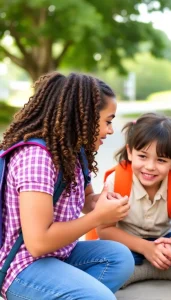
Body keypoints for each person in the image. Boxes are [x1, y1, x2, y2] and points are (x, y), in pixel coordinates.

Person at [0, 72, 134, 300]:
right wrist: (98, 217)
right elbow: (38, 243)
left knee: (118, 257)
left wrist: (101, 203)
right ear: (84, 117)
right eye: (108, 121)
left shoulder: (73, 150)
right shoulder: (37, 158)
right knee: (99, 298)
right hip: (22, 265)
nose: (110, 130)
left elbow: (86, 201)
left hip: (57, 253)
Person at [96, 112, 171, 285]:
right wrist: (145, 248)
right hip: (127, 242)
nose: (150, 167)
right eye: (143, 156)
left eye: (161, 160)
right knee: (109, 256)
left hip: (164, 239)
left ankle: (153, 265)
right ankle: (158, 268)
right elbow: (105, 230)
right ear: (130, 152)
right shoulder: (117, 180)